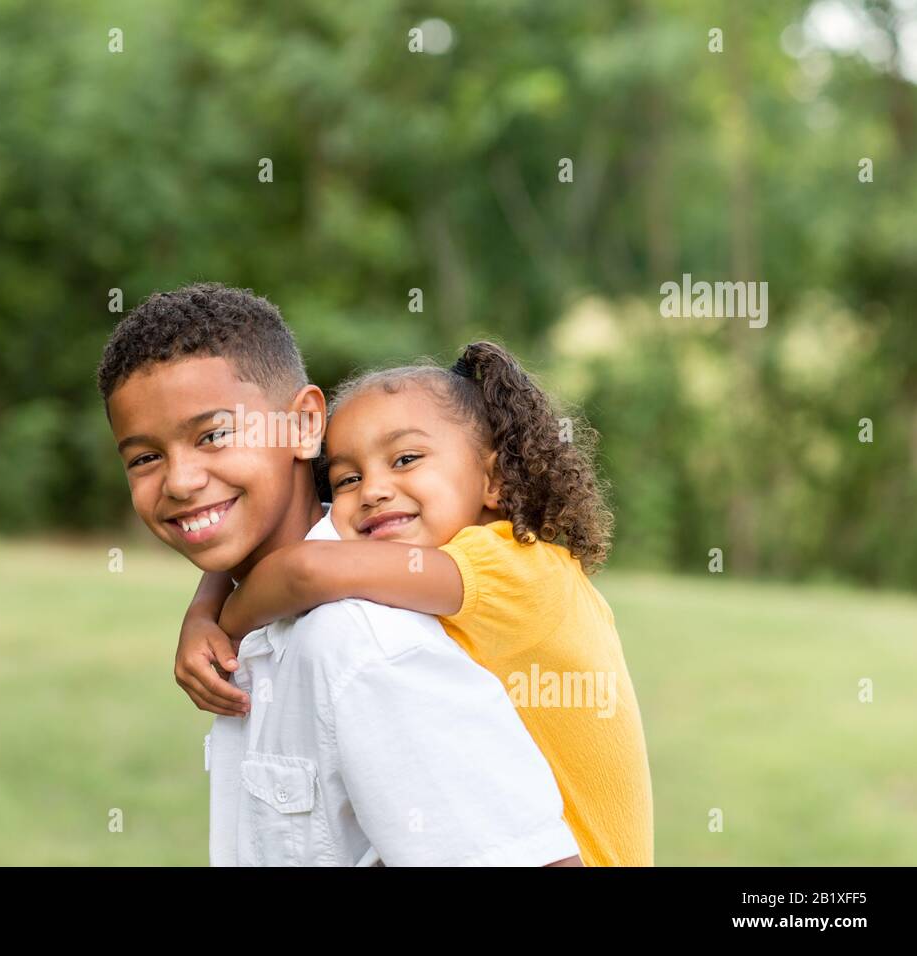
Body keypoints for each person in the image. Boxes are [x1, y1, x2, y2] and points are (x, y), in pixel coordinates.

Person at [98, 283, 581, 865]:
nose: (179, 480)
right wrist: (208, 611)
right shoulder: (286, 616)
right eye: (145, 458)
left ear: (305, 426)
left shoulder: (361, 640)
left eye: (214, 435)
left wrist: (217, 619)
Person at [210, 343, 654, 866]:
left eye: (406, 459)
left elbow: (303, 568)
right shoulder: (458, 570)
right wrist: (208, 595)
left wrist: (223, 629)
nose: (373, 491)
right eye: (347, 478)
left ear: (495, 480)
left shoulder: (515, 566)